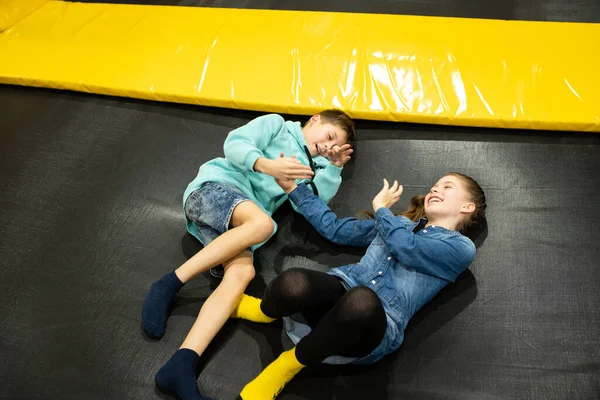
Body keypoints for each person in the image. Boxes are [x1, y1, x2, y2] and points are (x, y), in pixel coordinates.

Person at [142, 109, 355, 400]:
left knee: (243, 272)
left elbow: (307, 205)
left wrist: (333, 167)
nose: (328, 146)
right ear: (315, 119)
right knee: (265, 224)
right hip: (215, 190)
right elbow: (235, 144)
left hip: (239, 226)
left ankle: (181, 364)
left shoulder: (313, 167)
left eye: (334, 146)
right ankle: (169, 283)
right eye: (329, 136)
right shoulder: (278, 126)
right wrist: (268, 166)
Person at [231, 173, 487, 400]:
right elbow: (333, 229)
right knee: (292, 281)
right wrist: (292, 189)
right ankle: (265, 312)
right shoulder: (398, 224)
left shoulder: (461, 248)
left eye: (447, 186)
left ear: (467, 206)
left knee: (361, 300)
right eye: (434, 185)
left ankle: (287, 365)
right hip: (340, 292)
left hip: (373, 326)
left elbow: (407, 249)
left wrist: (382, 210)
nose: (434, 189)